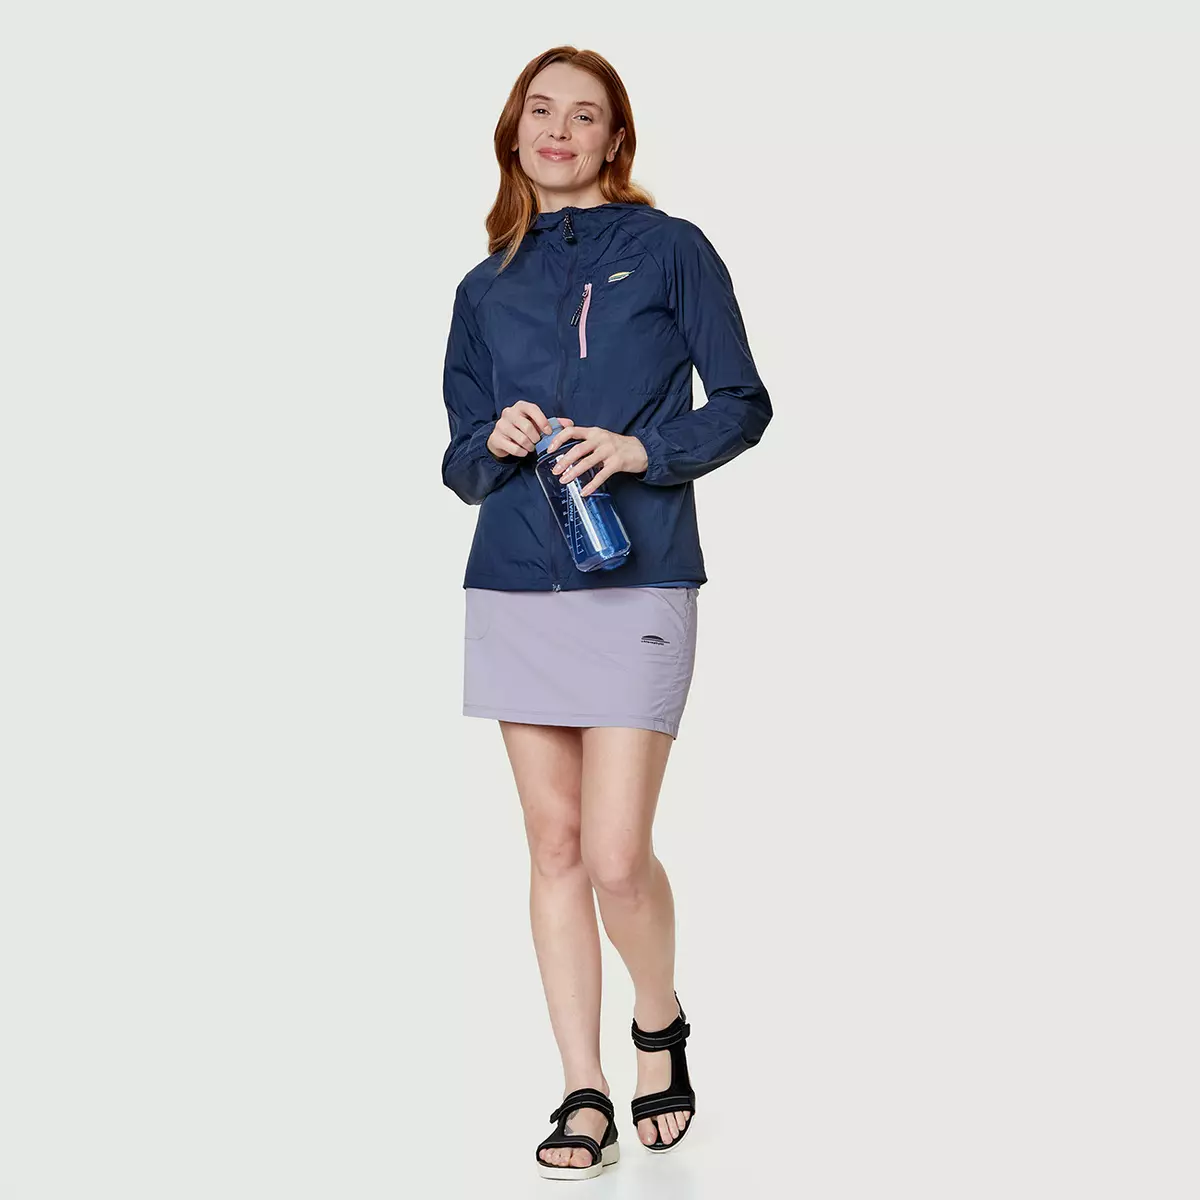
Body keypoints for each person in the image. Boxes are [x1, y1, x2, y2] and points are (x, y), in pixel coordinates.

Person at [440, 46, 772, 1181]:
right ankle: (583, 1086)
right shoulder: (483, 287)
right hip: (515, 581)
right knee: (555, 845)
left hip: (638, 571)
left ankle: (658, 1021)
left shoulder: (673, 250)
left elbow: (743, 402)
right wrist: (491, 441)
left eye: (584, 116)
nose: (559, 130)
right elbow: (458, 460)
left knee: (618, 855)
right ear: (514, 130)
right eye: (541, 110)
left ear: (614, 139)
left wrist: (643, 449)